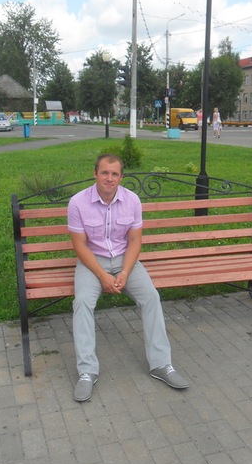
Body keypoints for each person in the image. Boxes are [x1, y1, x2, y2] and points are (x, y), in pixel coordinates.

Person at [67, 154, 189, 402]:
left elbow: (135, 240)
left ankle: (161, 364)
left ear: (121, 177)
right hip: (92, 262)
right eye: (104, 172)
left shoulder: (132, 200)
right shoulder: (78, 202)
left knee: (151, 297)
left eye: (114, 174)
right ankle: (87, 371)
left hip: (125, 260)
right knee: (82, 302)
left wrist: (124, 272)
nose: (109, 178)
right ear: (95, 174)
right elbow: (79, 245)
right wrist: (102, 276)